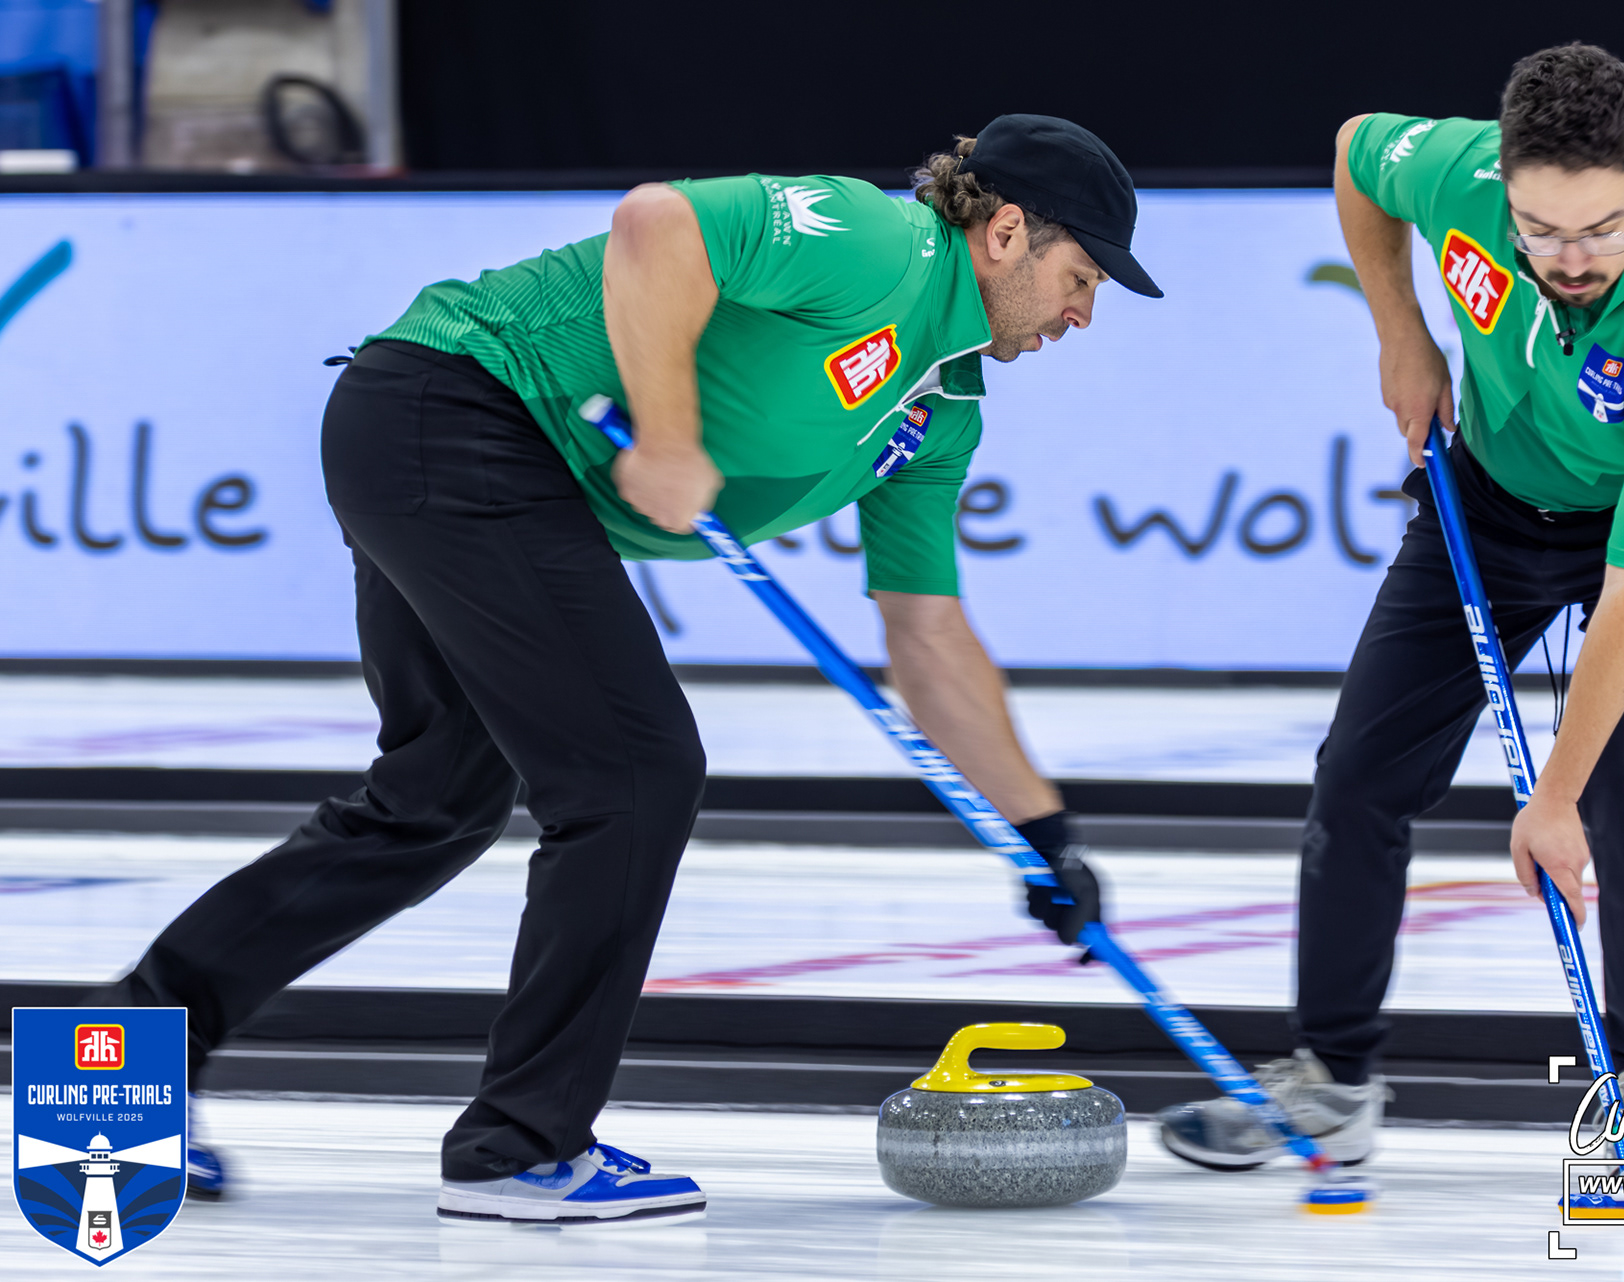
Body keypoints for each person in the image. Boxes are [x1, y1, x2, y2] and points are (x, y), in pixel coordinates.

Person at [100, 113, 1155, 1225]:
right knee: (635, 773)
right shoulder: (879, 243)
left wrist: (1042, 834)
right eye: (1081, 278)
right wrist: (668, 434)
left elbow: (927, 633)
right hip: (457, 403)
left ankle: (124, 1050)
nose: (1083, 314)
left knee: (436, 800)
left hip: (462, 449)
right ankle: (521, 1148)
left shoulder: (941, 409)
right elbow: (658, 224)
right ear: (1005, 232)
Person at [1160, 44, 1624, 1171]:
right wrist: (1402, 331)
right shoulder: (1456, 171)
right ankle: (1332, 1079)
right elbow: (1355, 153)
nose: (1569, 260)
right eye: (1540, 229)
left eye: (1602, 229)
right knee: (1357, 774)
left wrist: (1555, 799)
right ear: (1503, 183)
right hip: (1485, 499)